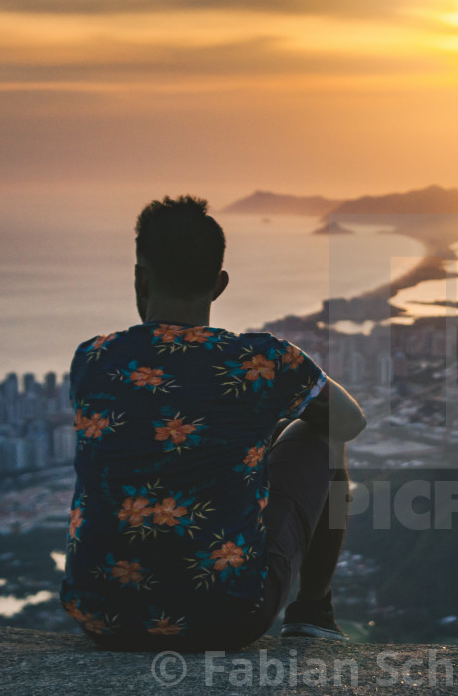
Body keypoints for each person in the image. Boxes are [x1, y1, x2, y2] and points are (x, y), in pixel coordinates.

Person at [60, 195, 365, 651]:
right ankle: (313, 613)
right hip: (227, 618)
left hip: (100, 616)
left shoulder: (93, 358)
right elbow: (350, 421)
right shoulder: (262, 361)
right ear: (219, 284)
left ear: (140, 277)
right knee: (322, 434)